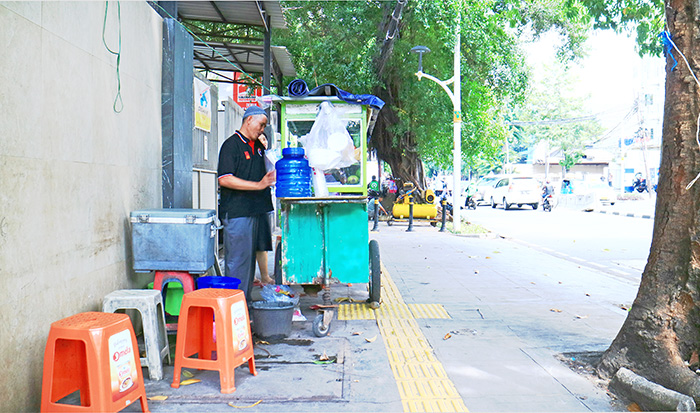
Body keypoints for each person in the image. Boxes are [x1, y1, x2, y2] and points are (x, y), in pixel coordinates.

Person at [217, 106, 275, 301]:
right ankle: (233, 308)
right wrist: (258, 185)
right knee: (237, 262)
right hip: (237, 213)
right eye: (261, 125)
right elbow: (224, 179)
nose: (262, 129)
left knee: (249, 263)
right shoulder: (231, 145)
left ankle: (244, 304)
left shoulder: (257, 146)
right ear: (249, 120)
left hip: (255, 211)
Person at [254, 133, 274, 285]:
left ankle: (265, 276)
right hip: (249, 204)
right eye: (259, 139)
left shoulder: (270, 158)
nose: (263, 142)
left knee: (262, 242)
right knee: (250, 243)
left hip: (262, 203)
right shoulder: (251, 158)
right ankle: (252, 276)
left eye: (265, 139)